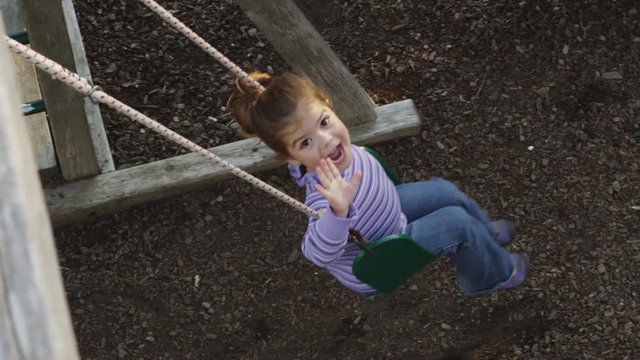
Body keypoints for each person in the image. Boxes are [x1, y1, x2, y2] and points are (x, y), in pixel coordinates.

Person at [227, 71, 529, 298]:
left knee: (444, 190)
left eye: (323, 122)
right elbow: (315, 253)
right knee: (456, 222)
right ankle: (493, 274)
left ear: (329, 106)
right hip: (380, 254)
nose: (325, 140)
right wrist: (338, 211)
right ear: (290, 158)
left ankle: (484, 239)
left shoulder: (333, 150)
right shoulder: (324, 195)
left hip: (389, 210)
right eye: (305, 142)